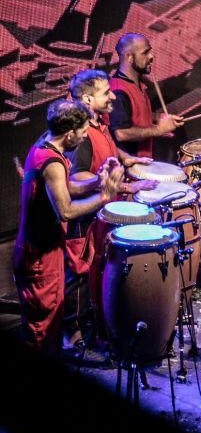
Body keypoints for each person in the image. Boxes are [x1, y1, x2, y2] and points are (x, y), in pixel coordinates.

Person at [13, 99, 123, 354]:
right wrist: (104, 197)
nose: (85, 137)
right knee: (42, 333)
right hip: (38, 258)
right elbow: (65, 210)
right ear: (70, 132)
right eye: (83, 132)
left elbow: (67, 187)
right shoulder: (50, 162)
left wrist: (98, 180)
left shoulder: (48, 148)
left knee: (49, 327)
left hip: (46, 253)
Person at [64, 69, 158, 349]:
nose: (113, 95)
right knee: (79, 272)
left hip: (102, 211)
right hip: (84, 217)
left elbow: (109, 150)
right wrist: (118, 186)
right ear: (88, 99)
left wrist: (127, 160)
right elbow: (75, 177)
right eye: (106, 92)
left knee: (96, 270)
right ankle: (74, 334)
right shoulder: (80, 135)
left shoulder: (98, 123)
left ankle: (98, 323)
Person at [108, 33, 185, 158]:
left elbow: (134, 113)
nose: (151, 56)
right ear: (129, 57)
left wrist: (158, 117)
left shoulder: (136, 83)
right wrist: (158, 130)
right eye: (145, 53)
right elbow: (121, 133)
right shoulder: (118, 91)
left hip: (141, 165)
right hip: (128, 169)